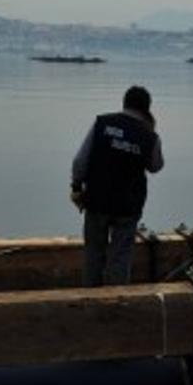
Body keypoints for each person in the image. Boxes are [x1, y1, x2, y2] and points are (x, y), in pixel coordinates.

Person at [70, 85, 164, 286]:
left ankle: (91, 299)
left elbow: (79, 162)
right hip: (127, 207)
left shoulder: (102, 123)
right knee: (120, 256)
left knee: (93, 253)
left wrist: (77, 187)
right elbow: (156, 166)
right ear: (147, 109)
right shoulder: (149, 136)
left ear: (124, 103)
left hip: (96, 201)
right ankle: (116, 302)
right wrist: (150, 132)